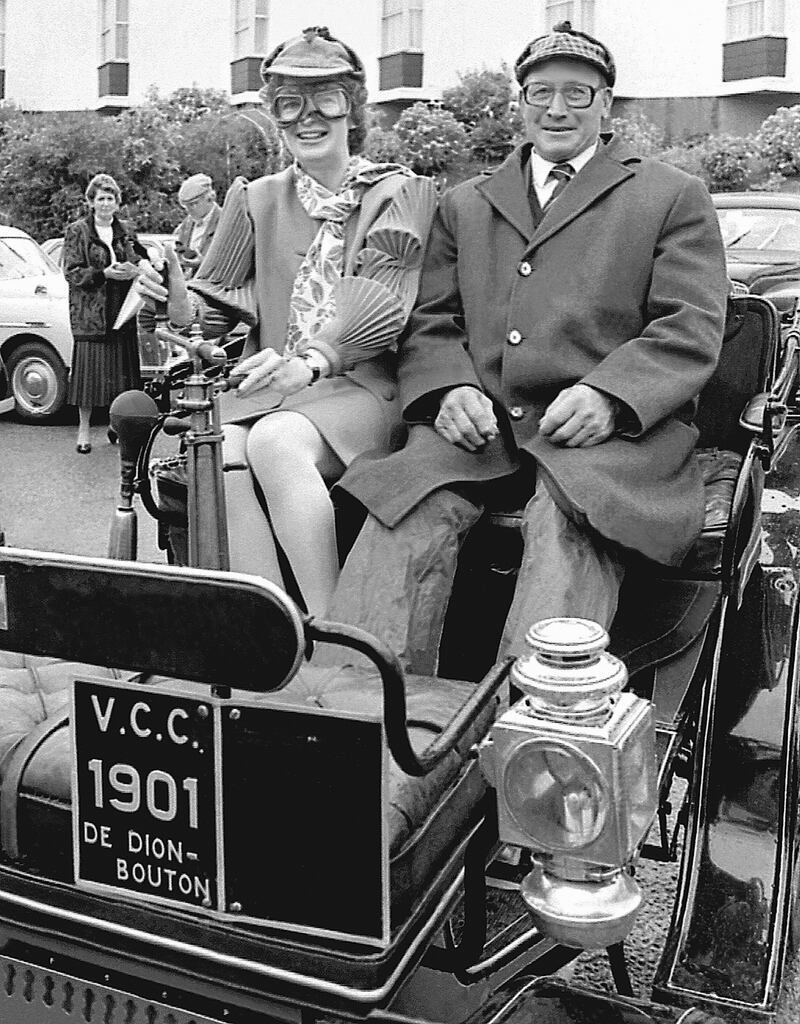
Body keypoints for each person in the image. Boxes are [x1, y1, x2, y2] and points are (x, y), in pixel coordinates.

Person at [317, 20, 730, 674]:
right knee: (406, 507)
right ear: (520, 105)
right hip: (477, 436)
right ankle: (359, 723)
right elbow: (431, 319)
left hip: (606, 444)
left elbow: (690, 326)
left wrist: (612, 396)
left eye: (578, 93)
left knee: (568, 524)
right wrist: (448, 388)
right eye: (540, 93)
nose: (557, 109)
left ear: (606, 105)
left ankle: (537, 739)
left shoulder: (671, 196)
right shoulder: (466, 203)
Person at [136, 26, 435, 617]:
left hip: (365, 390)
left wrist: (310, 361)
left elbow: (380, 301)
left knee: (273, 442)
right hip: (272, 391)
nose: (307, 118)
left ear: (353, 108)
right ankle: (274, 630)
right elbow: (212, 313)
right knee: (214, 452)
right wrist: (171, 302)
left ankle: (333, 631)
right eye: (288, 103)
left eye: (326, 98)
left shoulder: (400, 193)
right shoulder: (256, 198)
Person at [64, 173, 146, 454]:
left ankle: (117, 426)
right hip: (91, 313)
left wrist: (135, 269)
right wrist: (103, 274)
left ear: (117, 202)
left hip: (122, 309)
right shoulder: (78, 231)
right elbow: (72, 272)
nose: (106, 204)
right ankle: (84, 430)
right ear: (91, 202)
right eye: (101, 198)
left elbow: (139, 259)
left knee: (122, 376)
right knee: (88, 378)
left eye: (111, 198)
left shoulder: (126, 230)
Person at [172, 173, 221, 278]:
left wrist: (202, 263)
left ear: (210, 198)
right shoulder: (187, 224)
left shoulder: (224, 221)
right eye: (185, 206)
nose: (189, 210)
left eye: (193, 204)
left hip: (214, 287)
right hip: (189, 286)